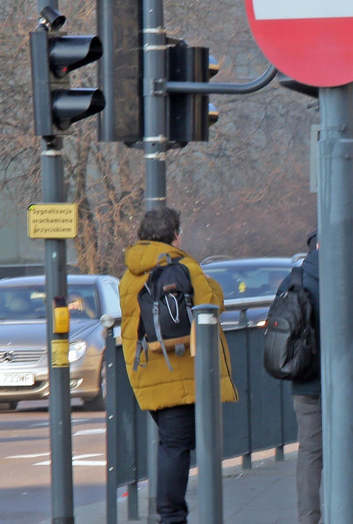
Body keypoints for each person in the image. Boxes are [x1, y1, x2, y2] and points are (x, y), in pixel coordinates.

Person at [118, 207, 238, 524]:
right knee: (176, 446)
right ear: (175, 234)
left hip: (147, 369)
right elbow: (212, 307)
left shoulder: (130, 273)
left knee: (175, 442)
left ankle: (171, 513)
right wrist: (212, 283)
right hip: (183, 370)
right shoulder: (185, 265)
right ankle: (171, 516)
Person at [289, 232, 353, 524]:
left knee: (310, 452)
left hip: (306, 379)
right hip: (351, 380)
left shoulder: (296, 277)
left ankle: (308, 518)